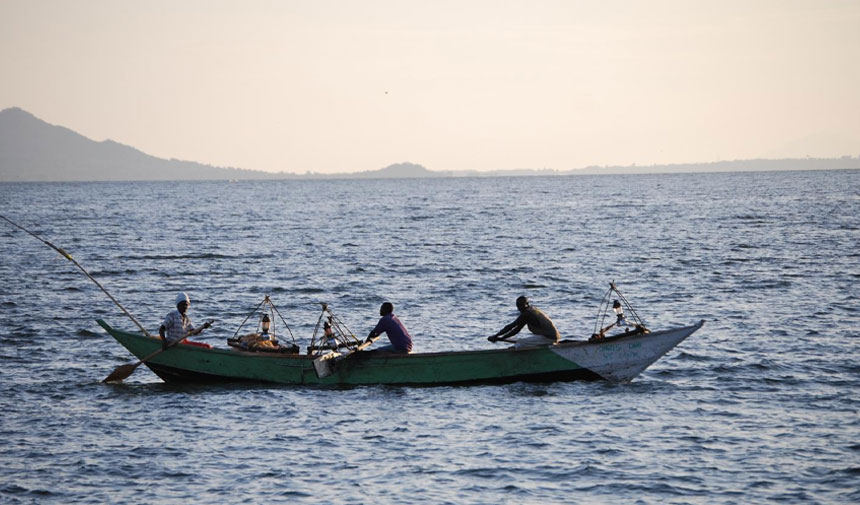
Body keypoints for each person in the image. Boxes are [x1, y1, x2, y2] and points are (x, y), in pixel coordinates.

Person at [489, 296, 560, 347]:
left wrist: (496, 336)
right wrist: (501, 337)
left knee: (521, 343)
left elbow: (511, 326)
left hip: (549, 338)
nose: (519, 308)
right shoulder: (532, 310)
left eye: (521, 305)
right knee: (523, 341)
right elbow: (517, 329)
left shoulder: (527, 314)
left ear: (527, 304)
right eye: (518, 306)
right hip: (551, 337)